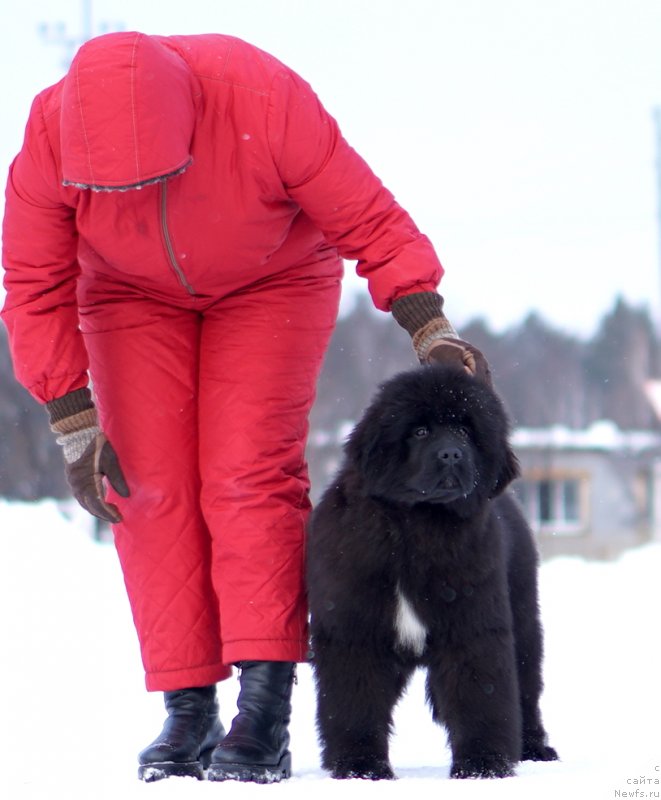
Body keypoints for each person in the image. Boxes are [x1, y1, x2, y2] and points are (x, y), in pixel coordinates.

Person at [1, 31, 489, 783]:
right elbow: (33, 284)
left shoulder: (260, 98)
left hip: (272, 280)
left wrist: (427, 322)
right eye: (118, 190)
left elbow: (366, 215)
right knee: (144, 485)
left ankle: (263, 707)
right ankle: (188, 705)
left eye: (152, 179)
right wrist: (72, 420)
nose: (136, 198)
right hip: (128, 295)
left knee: (245, 476)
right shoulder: (48, 134)